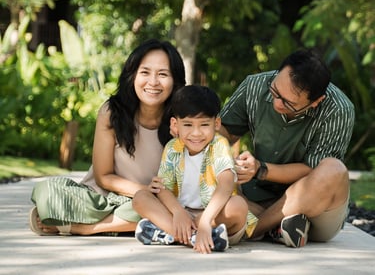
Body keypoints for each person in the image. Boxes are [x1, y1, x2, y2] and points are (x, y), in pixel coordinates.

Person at [29, 39, 186, 236]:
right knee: (48, 191)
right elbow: (104, 177)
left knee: (169, 207)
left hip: (153, 202)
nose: (153, 82)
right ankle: (143, 224)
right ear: (132, 76)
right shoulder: (112, 112)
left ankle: (84, 228)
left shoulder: (183, 119)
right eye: (145, 72)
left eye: (163, 74)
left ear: (175, 81)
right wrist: (144, 189)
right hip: (103, 199)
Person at [219, 48, 355, 248]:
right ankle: (279, 228)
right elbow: (221, 131)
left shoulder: (339, 109)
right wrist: (228, 163)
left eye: (288, 103)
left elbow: (313, 171)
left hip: (314, 209)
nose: (276, 103)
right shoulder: (254, 86)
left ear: (316, 102)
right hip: (253, 197)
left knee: (334, 169)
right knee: (203, 143)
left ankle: (253, 229)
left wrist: (260, 169)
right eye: (275, 91)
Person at [132, 85, 258, 254]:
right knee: (141, 197)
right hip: (181, 215)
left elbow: (226, 184)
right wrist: (178, 212)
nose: (196, 133)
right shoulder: (172, 148)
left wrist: (206, 220)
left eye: (204, 124)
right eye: (188, 125)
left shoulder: (219, 145)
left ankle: (172, 234)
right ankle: (197, 238)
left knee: (238, 206)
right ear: (175, 125)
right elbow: (162, 189)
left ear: (217, 123)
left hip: (214, 217)